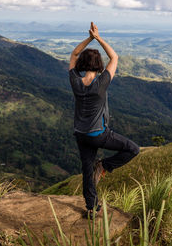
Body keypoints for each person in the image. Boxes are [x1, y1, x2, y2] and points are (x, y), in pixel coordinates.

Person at [68, 22, 140, 217]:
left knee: (87, 171)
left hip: (80, 135)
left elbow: (74, 54)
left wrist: (89, 38)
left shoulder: (75, 81)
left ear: (83, 64)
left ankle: (91, 208)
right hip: (99, 134)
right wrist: (98, 38)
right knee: (133, 149)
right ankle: (105, 166)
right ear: (99, 65)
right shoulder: (101, 84)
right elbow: (114, 57)